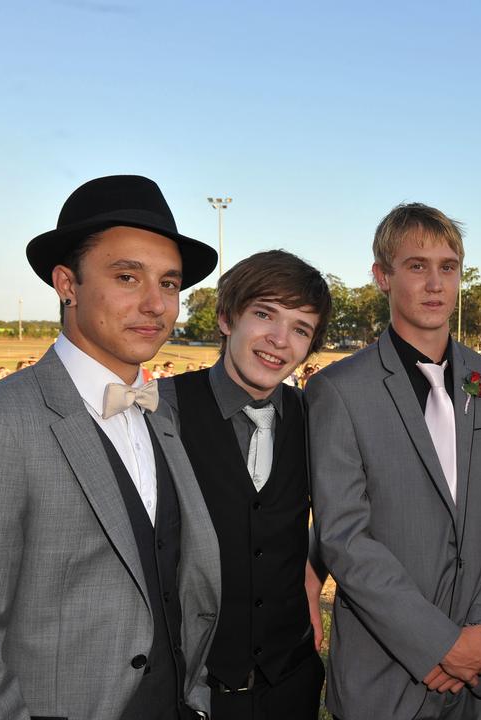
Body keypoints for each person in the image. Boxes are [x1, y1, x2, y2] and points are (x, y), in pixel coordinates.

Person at [0, 174, 222, 718]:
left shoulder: (162, 418)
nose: (155, 304)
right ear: (67, 283)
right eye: (127, 277)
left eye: (170, 283)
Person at [308, 202, 481, 720]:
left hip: (479, 666)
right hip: (385, 676)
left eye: (447, 267)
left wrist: (480, 634)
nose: (435, 284)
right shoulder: (338, 391)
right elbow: (344, 536)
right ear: (382, 276)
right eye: (416, 266)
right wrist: (437, 643)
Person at [156, 250, 333, 718]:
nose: (279, 339)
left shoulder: (315, 417)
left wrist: (312, 578)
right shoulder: (160, 411)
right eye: (264, 314)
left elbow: (343, 516)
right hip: (192, 688)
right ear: (226, 317)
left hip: (290, 684)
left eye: (300, 328)